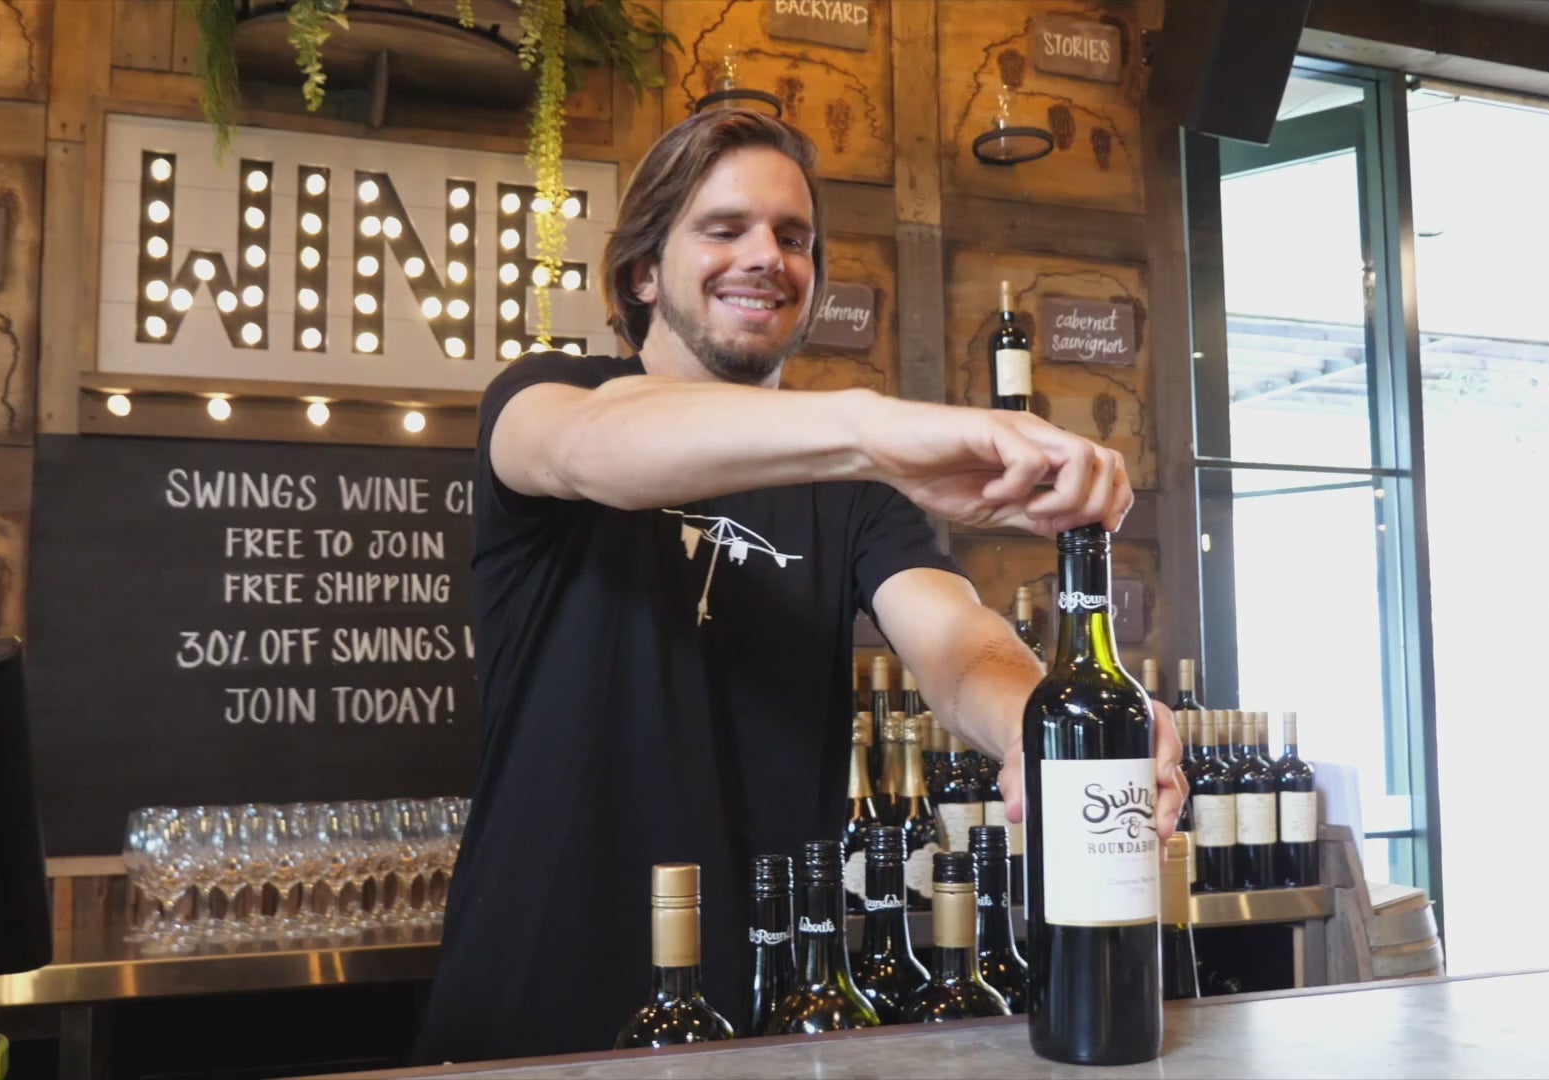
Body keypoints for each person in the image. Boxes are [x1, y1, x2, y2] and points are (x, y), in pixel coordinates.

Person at [413, 109, 1186, 1065]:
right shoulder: (546, 397)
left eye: (793, 237)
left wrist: (1045, 724)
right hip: (531, 1012)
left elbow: (959, 645)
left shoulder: (851, 493)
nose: (766, 257)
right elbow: (593, 448)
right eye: (724, 228)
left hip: (759, 1019)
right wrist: (873, 427)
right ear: (644, 271)